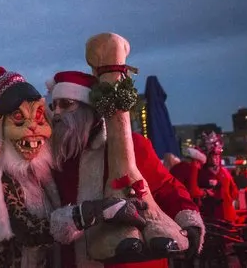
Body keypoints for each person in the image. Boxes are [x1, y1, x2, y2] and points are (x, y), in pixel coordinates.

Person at [46, 70, 204, 268]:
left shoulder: (131, 145)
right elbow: (47, 216)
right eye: (54, 105)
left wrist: (189, 222)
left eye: (66, 104)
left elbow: (167, 188)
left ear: (90, 107)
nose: (57, 112)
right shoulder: (56, 158)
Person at [0, 67, 63, 268]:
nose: (32, 127)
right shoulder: (4, 179)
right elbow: (28, 229)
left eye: (38, 116)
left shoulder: (45, 174)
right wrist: (77, 218)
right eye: (19, 117)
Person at [197, 132, 238, 223]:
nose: (215, 158)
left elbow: (234, 191)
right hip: (210, 217)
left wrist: (229, 203)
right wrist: (204, 192)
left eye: (217, 155)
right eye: (212, 156)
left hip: (228, 216)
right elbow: (195, 192)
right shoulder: (200, 173)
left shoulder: (225, 172)